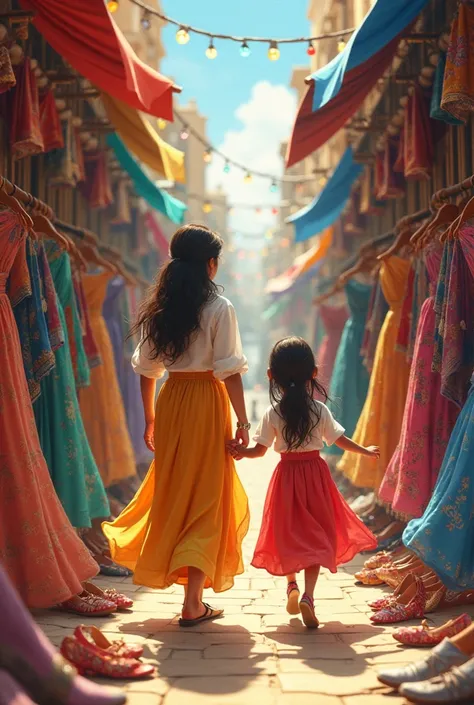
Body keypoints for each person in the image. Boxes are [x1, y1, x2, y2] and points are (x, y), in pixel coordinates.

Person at [103, 224, 250, 627]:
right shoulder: (220, 307)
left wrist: (150, 418)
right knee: (206, 494)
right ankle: (193, 602)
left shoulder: (160, 309)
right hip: (207, 402)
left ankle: (188, 594)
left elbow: (147, 370)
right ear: (210, 264)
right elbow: (229, 371)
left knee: (175, 489)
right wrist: (243, 421)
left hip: (172, 401)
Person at [228, 336, 379, 628]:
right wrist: (364, 450)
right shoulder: (319, 410)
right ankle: (309, 596)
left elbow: (259, 451)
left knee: (289, 534)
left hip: (286, 479)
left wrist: (239, 452)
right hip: (316, 477)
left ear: (271, 375)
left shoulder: (273, 413)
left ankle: (291, 586)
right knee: (316, 536)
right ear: (313, 373)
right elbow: (339, 440)